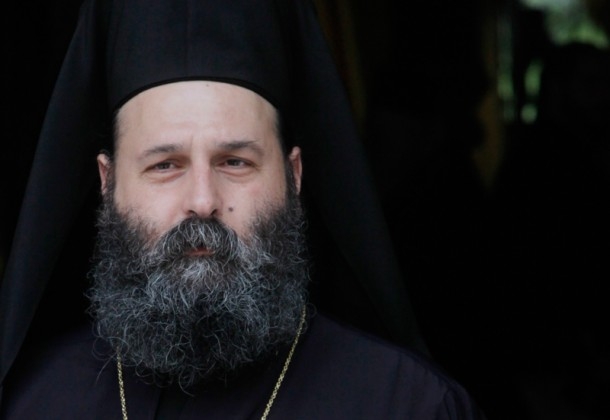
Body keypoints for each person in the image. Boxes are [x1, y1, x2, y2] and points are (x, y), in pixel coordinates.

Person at [0, 0, 487, 418]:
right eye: (165, 165)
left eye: (235, 162)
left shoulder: (409, 406)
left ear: (294, 176)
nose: (203, 201)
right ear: (107, 184)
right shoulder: (34, 404)